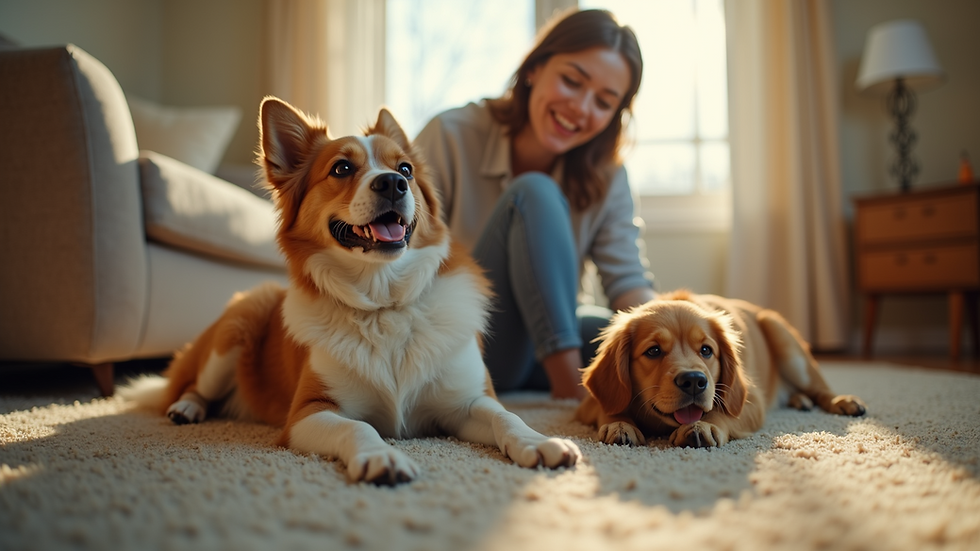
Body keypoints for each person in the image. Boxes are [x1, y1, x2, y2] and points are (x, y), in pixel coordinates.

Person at [414, 8, 655, 400]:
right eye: (571, 81)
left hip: (543, 342)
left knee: (629, 340)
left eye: (603, 102)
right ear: (534, 69)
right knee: (534, 193)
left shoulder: (607, 175)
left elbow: (627, 282)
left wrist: (678, 333)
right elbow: (400, 255)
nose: (581, 107)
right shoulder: (451, 134)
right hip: (462, 342)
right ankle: (571, 392)